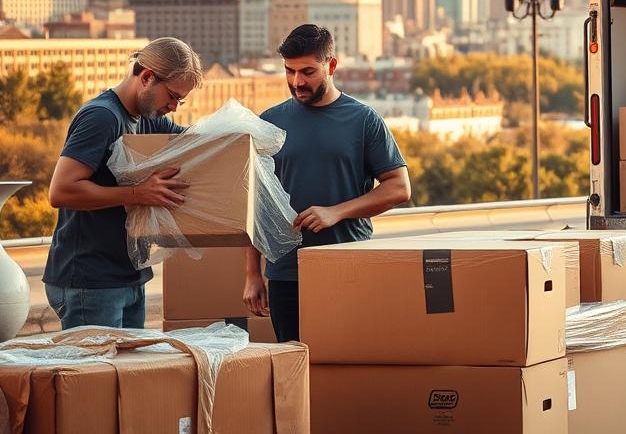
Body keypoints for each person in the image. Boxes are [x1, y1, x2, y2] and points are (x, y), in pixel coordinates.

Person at [243, 24, 411, 342]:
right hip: (285, 273)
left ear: (331, 66)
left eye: (307, 71)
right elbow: (255, 199)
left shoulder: (364, 120)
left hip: (348, 266)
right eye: (289, 71)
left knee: (346, 366)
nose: (297, 82)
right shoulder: (268, 122)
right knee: (294, 369)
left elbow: (399, 187)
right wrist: (252, 274)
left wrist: (336, 212)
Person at [44, 37, 205, 328]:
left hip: (129, 275)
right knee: (95, 374)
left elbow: (195, 144)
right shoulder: (102, 117)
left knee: (128, 374)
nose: (174, 106)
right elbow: (61, 191)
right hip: (90, 281)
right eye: (172, 96)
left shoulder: (149, 118)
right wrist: (138, 193)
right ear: (146, 77)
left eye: (181, 100)